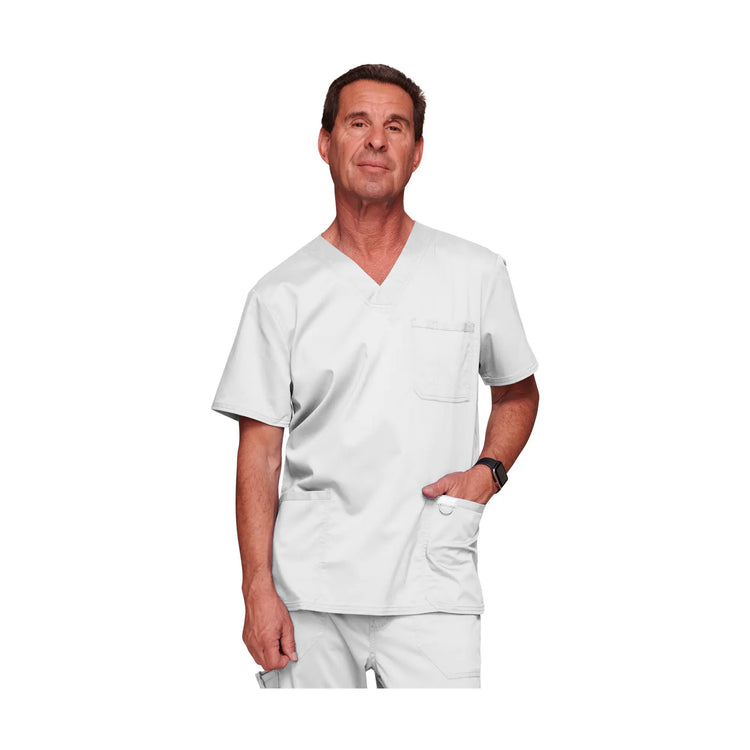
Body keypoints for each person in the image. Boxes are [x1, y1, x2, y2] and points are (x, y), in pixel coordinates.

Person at [211, 63, 540, 688]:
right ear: (325, 141)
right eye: (358, 123)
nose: (376, 141)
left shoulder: (475, 273)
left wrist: (489, 472)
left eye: (396, 127)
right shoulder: (281, 294)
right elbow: (259, 453)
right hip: (309, 587)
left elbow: (517, 391)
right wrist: (256, 589)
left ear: (417, 152)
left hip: (433, 579)